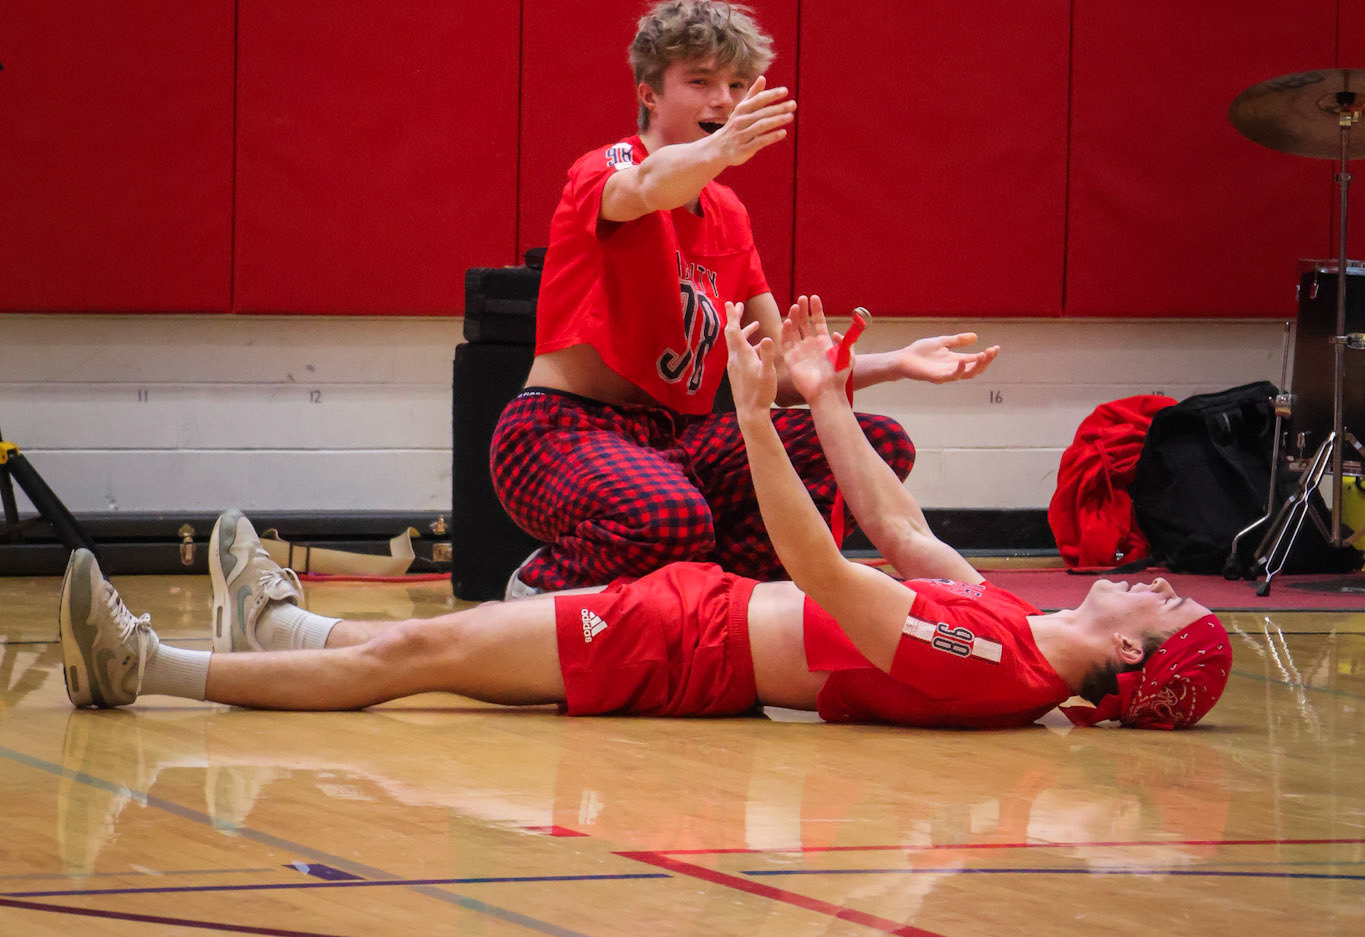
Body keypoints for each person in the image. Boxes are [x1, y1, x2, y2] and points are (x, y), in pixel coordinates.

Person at [60, 300, 1231, 732]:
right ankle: (274, 631)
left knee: (413, 657)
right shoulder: (1014, 634)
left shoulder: (996, 663)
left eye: (1167, 606)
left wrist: (761, 418)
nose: (1157, 580)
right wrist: (825, 394)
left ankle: (144, 666)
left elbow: (826, 571)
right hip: (695, 621)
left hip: (681, 645)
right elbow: (899, 530)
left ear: (1133, 655)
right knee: (423, 650)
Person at [491, 0, 999, 595]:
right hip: (559, 432)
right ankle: (539, 586)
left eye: (735, 84)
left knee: (873, 446)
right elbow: (647, 186)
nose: (723, 100)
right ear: (649, 94)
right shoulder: (608, 166)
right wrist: (718, 150)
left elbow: (780, 374)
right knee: (669, 515)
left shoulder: (729, 213)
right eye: (700, 81)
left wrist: (897, 363)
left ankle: (725, 597)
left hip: (675, 442)